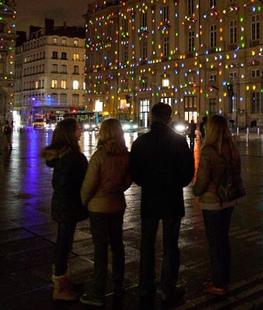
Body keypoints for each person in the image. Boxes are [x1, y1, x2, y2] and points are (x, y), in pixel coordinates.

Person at [130, 102, 195, 308]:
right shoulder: (179, 141)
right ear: (169, 118)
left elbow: (135, 174)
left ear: (151, 117)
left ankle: (145, 286)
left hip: (150, 199)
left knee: (147, 245)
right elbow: (187, 173)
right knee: (170, 245)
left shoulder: (141, 142)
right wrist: (176, 183)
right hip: (171, 199)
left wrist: (147, 182)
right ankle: (167, 289)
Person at [79, 119, 132, 306]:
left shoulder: (99, 157)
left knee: (100, 250)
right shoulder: (126, 155)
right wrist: (117, 190)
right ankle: (119, 286)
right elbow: (128, 180)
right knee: (118, 247)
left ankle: (98, 293)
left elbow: (89, 185)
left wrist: (83, 201)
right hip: (117, 205)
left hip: (99, 208)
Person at [192, 115, 242, 296]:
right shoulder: (232, 149)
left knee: (215, 242)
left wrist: (195, 191)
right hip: (229, 200)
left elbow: (203, 180)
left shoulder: (209, 151)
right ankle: (223, 277)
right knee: (224, 240)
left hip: (212, 202)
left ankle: (219, 283)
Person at [41, 119, 88, 302]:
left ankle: (63, 280)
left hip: (62, 204)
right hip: (69, 205)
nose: (80, 131)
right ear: (70, 133)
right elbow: (69, 183)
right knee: (63, 244)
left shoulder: (61, 156)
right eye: (78, 129)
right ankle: (60, 288)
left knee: (64, 242)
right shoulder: (73, 158)